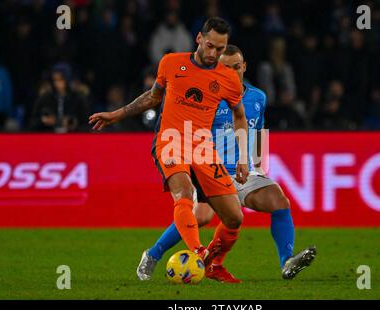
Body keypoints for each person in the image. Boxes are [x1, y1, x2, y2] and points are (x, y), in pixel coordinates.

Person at [137, 45, 316, 283]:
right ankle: (152, 254)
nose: (231, 71)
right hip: (210, 171)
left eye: (236, 67)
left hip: (243, 172)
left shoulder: (258, 97)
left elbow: (258, 130)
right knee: (200, 216)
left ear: (244, 67)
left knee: (279, 201)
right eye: (226, 67)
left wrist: (258, 167)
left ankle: (286, 262)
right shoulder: (206, 95)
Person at [89, 18, 249, 269]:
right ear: (199, 38)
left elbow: (239, 116)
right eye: (210, 46)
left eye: (220, 49)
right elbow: (153, 98)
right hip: (171, 139)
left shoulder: (228, 79)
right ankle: (198, 254)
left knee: (234, 217)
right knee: (184, 193)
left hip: (203, 147)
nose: (213, 54)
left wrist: (243, 158)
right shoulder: (171, 62)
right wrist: (117, 114)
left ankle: (208, 264)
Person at [30, 63, 89, 133]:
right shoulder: (44, 98)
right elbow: (32, 123)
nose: (57, 83)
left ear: (67, 79)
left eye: (61, 79)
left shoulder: (78, 99)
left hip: (72, 138)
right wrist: (43, 121)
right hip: (48, 137)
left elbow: (86, 125)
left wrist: (75, 124)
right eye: (54, 80)